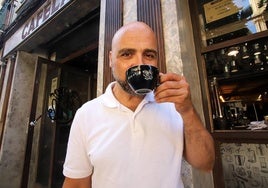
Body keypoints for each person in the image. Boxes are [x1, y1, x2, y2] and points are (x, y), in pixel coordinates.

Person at [62, 21, 215, 188]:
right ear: (111, 59)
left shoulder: (174, 105)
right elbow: (76, 183)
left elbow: (206, 164)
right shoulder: (86, 115)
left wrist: (187, 110)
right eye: (127, 54)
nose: (140, 64)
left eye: (149, 55)